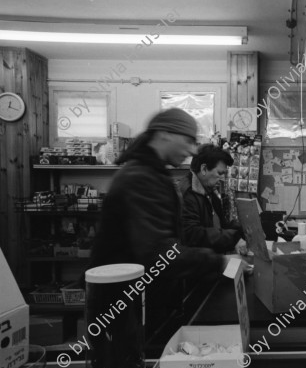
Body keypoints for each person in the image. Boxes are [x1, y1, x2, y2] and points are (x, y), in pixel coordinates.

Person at [88, 108, 233, 334]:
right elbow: (158, 252)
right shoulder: (141, 178)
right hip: (123, 305)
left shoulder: (151, 173)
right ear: (164, 135)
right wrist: (219, 262)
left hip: (137, 299)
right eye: (188, 140)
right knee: (129, 367)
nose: (191, 150)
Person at [180, 144, 248, 255]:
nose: (222, 179)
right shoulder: (187, 194)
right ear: (204, 169)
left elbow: (220, 226)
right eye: (220, 173)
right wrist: (232, 239)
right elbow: (192, 234)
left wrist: (244, 230)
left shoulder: (209, 191)